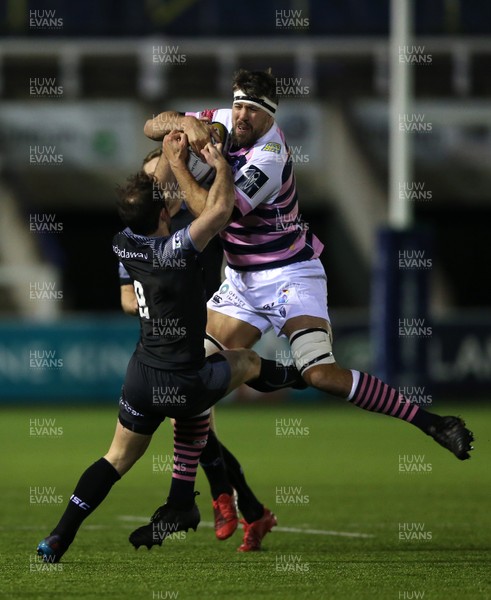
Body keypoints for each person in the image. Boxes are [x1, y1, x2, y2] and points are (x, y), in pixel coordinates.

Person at [143, 68, 474, 467]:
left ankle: (433, 423)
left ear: (271, 117)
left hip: (289, 274)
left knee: (321, 375)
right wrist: (183, 122)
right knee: (188, 375)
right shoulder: (224, 120)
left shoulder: (269, 155)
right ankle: (194, 496)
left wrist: (179, 165)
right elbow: (152, 125)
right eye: (239, 105)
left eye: (254, 110)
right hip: (242, 280)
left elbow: (213, 215)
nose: (243, 116)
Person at [36, 133, 304, 563]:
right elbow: (219, 210)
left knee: (116, 458)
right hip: (184, 375)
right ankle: (308, 377)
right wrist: (219, 167)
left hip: (142, 375)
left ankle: (59, 536)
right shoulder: (178, 247)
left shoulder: (122, 241)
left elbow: (147, 214)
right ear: (162, 211)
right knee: (248, 363)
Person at [119, 145, 281, 551]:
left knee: (187, 415)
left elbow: (230, 214)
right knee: (191, 417)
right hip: (178, 332)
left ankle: (223, 497)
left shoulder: (200, 213)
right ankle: (249, 508)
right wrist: (155, 291)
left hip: (226, 311)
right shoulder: (141, 238)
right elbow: (125, 297)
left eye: (165, 180)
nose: (162, 189)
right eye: (155, 185)